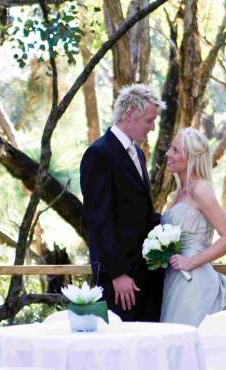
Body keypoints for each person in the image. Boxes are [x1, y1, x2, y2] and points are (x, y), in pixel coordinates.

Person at [80, 84, 166, 322]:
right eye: (149, 120)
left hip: (146, 275)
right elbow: (99, 220)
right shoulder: (99, 154)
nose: (153, 127)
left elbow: (139, 212)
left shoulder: (137, 153)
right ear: (130, 114)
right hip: (121, 281)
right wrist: (118, 274)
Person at [160, 127, 226, 326]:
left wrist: (191, 262)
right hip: (175, 278)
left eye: (176, 150)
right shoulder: (179, 193)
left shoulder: (200, 189)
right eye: (171, 148)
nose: (168, 154)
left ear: (191, 158)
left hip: (193, 281)